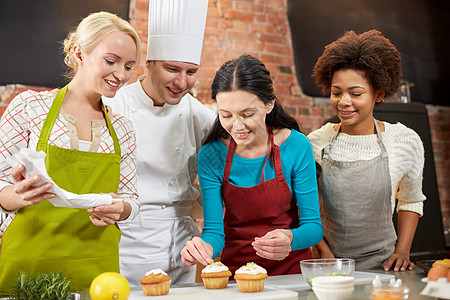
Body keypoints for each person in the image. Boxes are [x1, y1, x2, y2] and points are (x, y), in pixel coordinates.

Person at [0, 11, 140, 294]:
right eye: (111, 61)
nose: (121, 75)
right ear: (79, 53)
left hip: (98, 271)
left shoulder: (122, 128)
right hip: (29, 268)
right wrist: (17, 195)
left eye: (129, 66)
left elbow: (131, 199)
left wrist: (121, 209)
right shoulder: (29, 108)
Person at [103, 0, 216, 286]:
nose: (181, 82)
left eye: (191, 72)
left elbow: (223, 176)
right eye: (172, 69)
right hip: (121, 244)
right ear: (149, 63)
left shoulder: (200, 115)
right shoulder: (112, 106)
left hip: (180, 247)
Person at [180, 54, 323, 276]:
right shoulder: (211, 154)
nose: (237, 126)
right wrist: (204, 248)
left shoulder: (296, 145)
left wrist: (291, 238)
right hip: (238, 274)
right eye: (226, 115)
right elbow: (214, 233)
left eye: (247, 114)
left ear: (269, 104)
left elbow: (313, 227)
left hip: (291, 273)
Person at [308, 30, 425, 272]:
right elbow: (300, 203)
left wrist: (403, 251)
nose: (344, 101)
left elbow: (411, 200)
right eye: (336, 92)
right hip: (328, 265)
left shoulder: (404, 141)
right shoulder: (316, 143)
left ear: (378, 94)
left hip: (384, 267)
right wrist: (322, 250)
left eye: (356, 93)